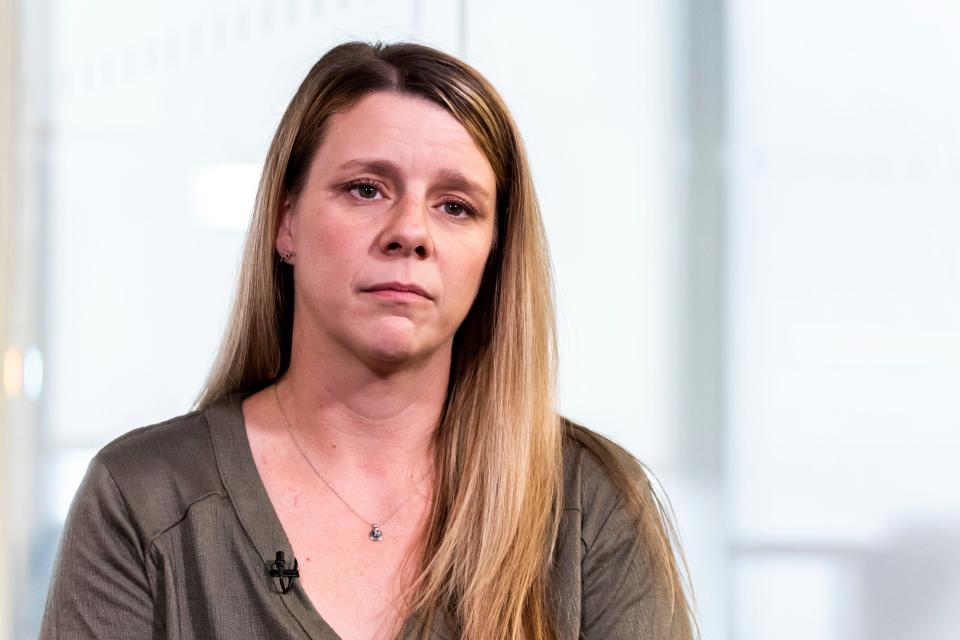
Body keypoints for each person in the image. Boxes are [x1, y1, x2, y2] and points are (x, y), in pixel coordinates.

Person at [39, 41, 698, 640]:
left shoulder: (593, 507)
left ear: (495, 255)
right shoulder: (145, 499)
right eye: (365, 189)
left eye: (455, 206)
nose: (410, 231)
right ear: (286, 221)